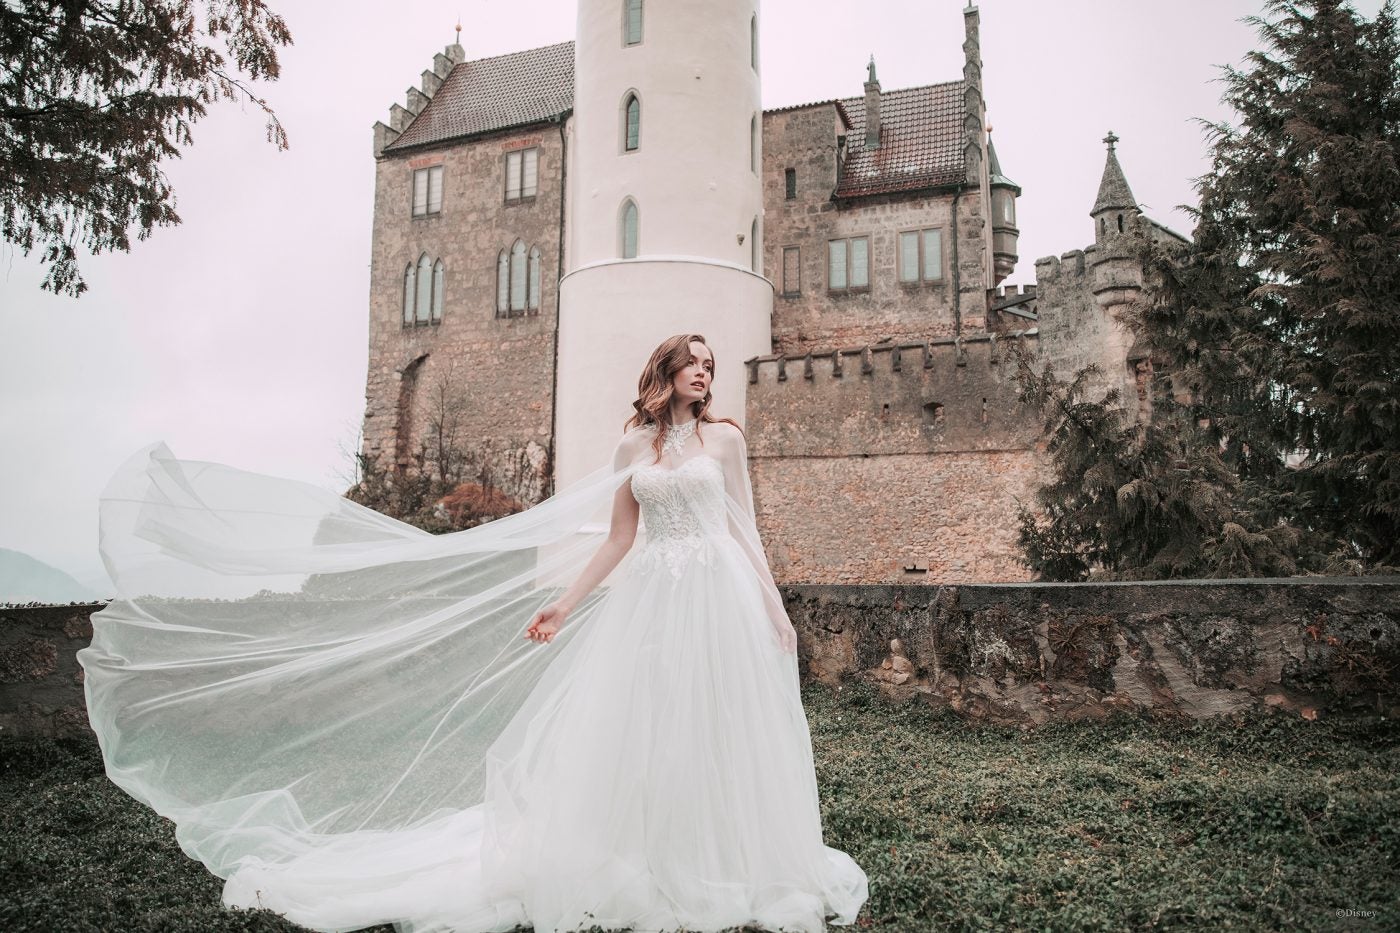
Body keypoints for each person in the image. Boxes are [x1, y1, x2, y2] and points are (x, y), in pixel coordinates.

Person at [79, 332, 869, 933]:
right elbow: (618, 540)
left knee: (718, 724)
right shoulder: (632, 446)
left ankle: (730, 854)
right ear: (663, 374)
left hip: (718, 595)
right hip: (654, 602)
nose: (704, 372)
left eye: (709, 363)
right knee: (650, 727)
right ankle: (654, 854)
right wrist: (562, 604)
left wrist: (776, 609)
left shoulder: (726, 439)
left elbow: (745, 533)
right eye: (690, 362)